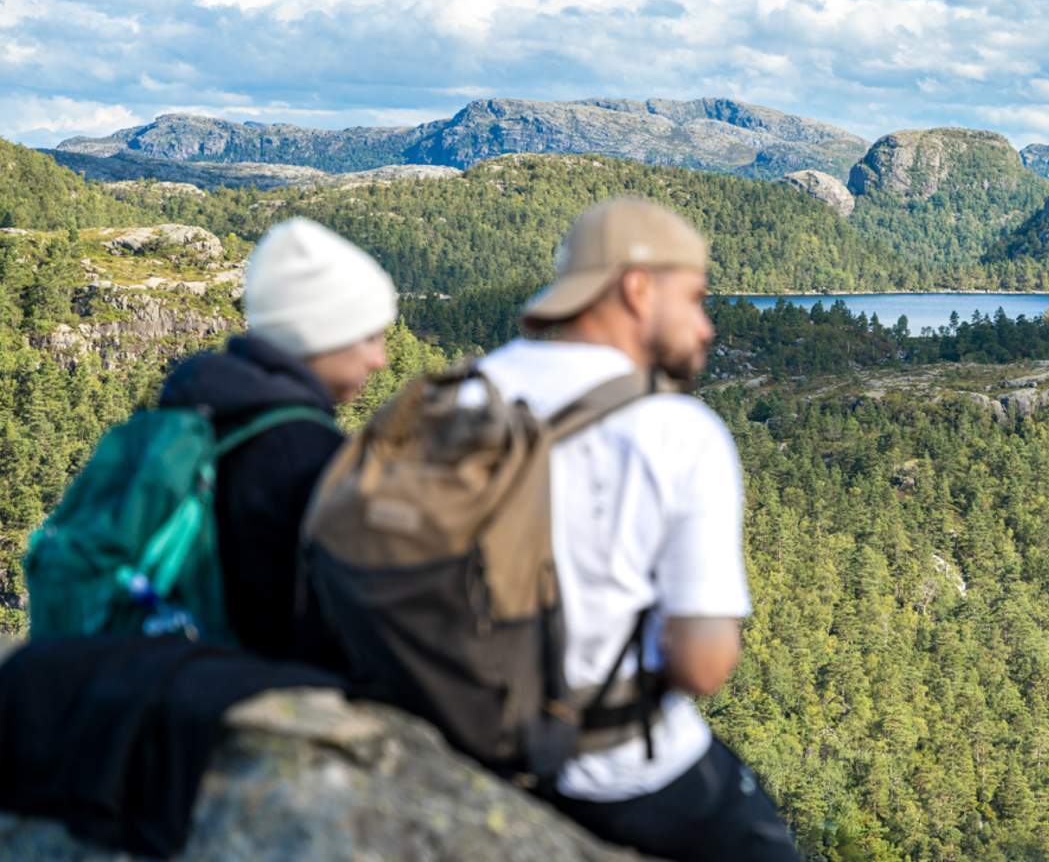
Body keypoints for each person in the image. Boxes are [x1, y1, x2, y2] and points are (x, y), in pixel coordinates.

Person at [473, 198, 797, 861]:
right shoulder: (675, 429)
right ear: (637, 287)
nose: (707, 327)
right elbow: (702, 666)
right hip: (613, 772)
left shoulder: (460, 395)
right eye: (697, 298)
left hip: (468, 742)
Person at [158, 216, 395, 666]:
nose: (379, 359)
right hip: (252, 685)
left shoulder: (196, 406)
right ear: (322, 333)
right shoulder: (303, 450)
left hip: (175, 671)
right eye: (369, 336)